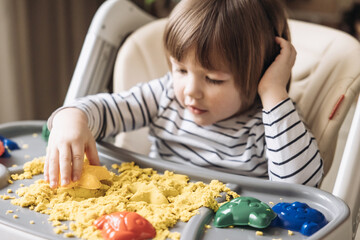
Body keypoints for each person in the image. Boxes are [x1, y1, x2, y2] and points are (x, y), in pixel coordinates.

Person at [44, 0, 323, 189]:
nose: (190, 91)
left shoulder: (272, 123)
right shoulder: (165, 96)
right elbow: (107, 111)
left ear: (261, 72)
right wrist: (73, 118)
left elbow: (301, 189)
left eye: (213, 79)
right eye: (180, 70)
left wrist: (273, 90)